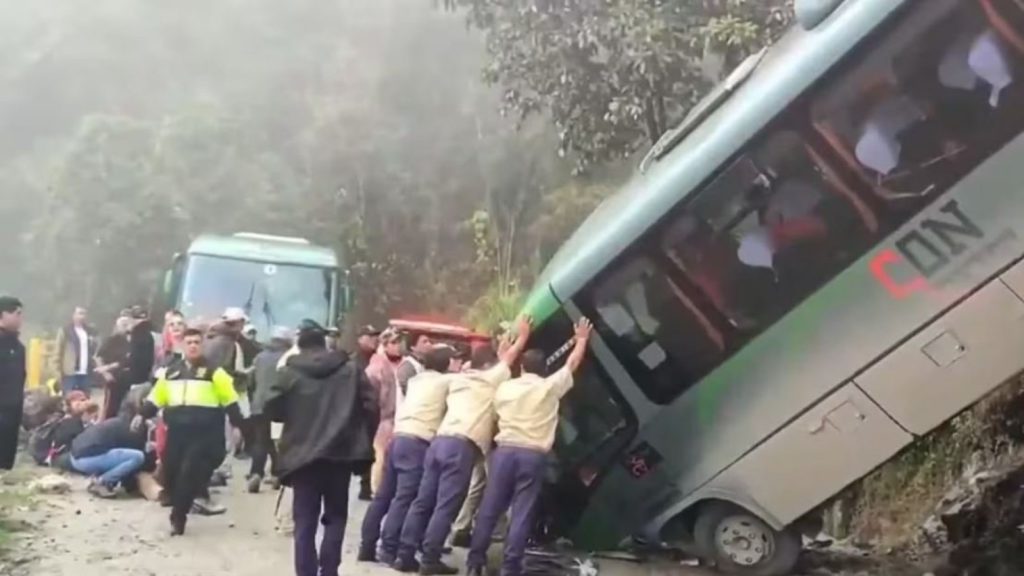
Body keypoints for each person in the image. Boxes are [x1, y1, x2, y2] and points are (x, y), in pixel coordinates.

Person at [397, 318, 531, 574]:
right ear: (490, 367)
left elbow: (501, 359)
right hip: (460, 448)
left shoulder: (457, 379)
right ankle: (430, 559)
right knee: (446, 505)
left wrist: (502, 347)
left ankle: (405, 554)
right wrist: (522, 337)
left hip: (439, 442)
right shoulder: (488, 381)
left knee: (423, 501)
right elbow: (508, 359)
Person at [467, 319, 593, 576]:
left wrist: (510, 347)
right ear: (544, 369)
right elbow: (572, 364)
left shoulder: (505, 387)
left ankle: (474, 562)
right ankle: (510, 568)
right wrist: (581, 340)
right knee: (522, 512)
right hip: (532, 456)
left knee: (490, 508)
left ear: (521, 368)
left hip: (503, 453)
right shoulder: (548, 387)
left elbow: (503, 366)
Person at [266, 320, 378, 576]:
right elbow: (371, 407)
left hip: (302, 457)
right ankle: (329, 570)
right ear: (325, 343)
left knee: (304, 521)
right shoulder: (350, 370)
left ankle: (305, 572)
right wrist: (361, 438)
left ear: (300, 344)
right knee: (336, 517)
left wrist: (292, 417)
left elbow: (271, 408)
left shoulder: (288, 373)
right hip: (341, 454)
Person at [135, 328, 244, 535]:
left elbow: (230, 401)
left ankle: (179, 516)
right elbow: (156, 398)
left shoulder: (215, 372)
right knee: (173, 471)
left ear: (202, 345)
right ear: (182, 346)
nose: (193, 346)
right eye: (189, 342)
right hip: (177, 431)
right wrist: (141, 414)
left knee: (188, 472)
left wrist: (239, 426)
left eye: (197, 342)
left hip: (204, 433)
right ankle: (180, 503)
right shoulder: (171, 372)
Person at [358, 344, 457, 566]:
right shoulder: (447, 382)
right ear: (447, 364)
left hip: (399, 437)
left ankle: (367, 546)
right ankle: (390, 548)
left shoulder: (416, 380)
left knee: (384, 495)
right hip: (418, 443)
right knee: (405, 498)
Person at [69, 399, 148, 499]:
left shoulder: (113, 422)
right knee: (138, 457)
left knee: (114, 454)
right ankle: (102, 482)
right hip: (87, 458)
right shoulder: (129, 427)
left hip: (75, 456)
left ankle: (98, 480)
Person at [246, 326, 293, 493]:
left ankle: (255, 473)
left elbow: (250, 381)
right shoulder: (290, 358)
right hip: (281, 407)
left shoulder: (260, 357)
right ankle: (277, 474)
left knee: (261, 440)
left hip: (260, 406)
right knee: (280, 441)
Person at [365, 329, 403, 495]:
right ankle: (376, 489)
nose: (398, 346)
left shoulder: (401, 363)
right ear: (385, 345)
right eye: (394, 343)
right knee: (380, 454)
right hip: (383, 417)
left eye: (399, 342)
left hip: (395, 416)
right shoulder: (377, 365)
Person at [0, 296, 25, 471]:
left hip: (14, 406)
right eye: (17, 314)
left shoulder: (19, 347)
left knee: (7, 456)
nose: (20, 318)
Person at [53, 307, 97, 397]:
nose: (82, 316)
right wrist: (57, 372)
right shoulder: (65, 331)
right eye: (79, 313)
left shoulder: (90, 332)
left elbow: (94, 350)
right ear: (73, 315)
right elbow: (58, 352)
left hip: (86, 373)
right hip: (70, 373)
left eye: (84, 314)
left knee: (85, 403)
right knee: (69, 401)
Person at [395, 332, 432, 398]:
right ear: (413, 347)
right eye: (424, 342)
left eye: (429, 341)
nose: (429, 344)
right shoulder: (408, 366)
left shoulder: (424, 363)